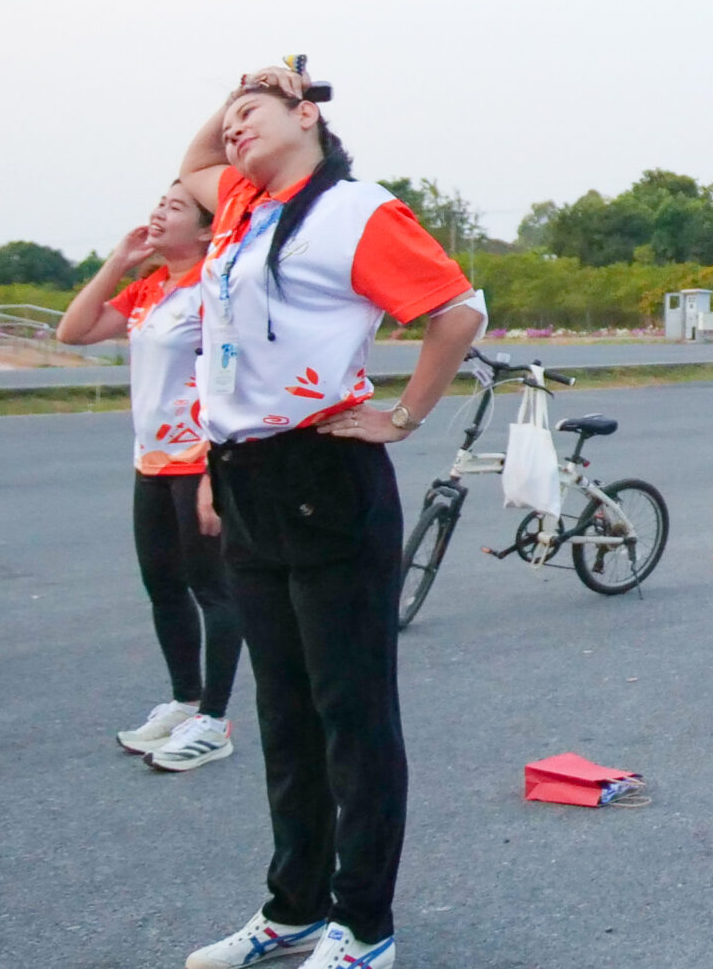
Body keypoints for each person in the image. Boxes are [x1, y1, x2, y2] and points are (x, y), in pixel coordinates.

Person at [172, 64, 485, 969]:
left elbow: (458, 311)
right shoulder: (242, 206)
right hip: (245, 474)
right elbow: (191, 162)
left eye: (253, 112)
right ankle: (294, 907)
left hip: (323, 474)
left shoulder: (351, 211)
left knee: (351, 712)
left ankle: (364, 926)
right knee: (284, 711)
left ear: (306, 116)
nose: (233, 129)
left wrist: (404, 416)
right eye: (229, 118)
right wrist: (239, 90)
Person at [58, 182, 244, 769]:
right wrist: (118, 261)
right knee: (163, 586)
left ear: (208, 229)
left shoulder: (216, 288)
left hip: (200, 459)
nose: (159, 213)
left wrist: (216, 471)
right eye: (159, 204)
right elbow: (73, 332)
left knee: (213, 590)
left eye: (175, 207)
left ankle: (214, 720)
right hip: (151, 459)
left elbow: (232, 378)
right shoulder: (150, 287)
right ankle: (185, 701)